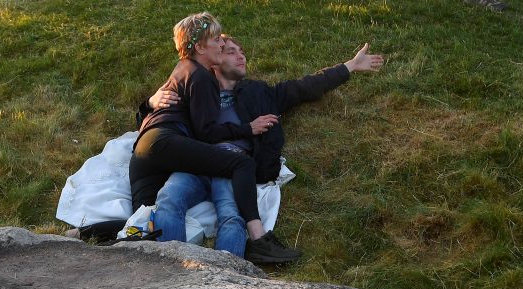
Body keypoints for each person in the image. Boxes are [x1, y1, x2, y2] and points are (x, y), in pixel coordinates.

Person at [143, 35, 384, 263]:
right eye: (231, 52)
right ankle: (168, 268)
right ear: (214, 59)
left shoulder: (258, 92)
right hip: (196, 159)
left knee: (231, 216)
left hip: (233, 166)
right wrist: (151, 101)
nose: (241, 57)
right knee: (169, 198)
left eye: (242, 52)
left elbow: (304, 87)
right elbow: (161, 116)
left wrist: (349, 66)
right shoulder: (196, 87)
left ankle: (222, 283)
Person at [127, 12, 298, 262]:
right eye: (217, 40)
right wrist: (247, 129)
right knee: (241, 167)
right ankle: (252, 244)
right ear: (199, 47)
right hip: (167, 143)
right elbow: (205, 131)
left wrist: (152, 102)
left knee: (150, 211)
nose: (221, 44)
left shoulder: (184, 69)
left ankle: (163, 263)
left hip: (149, 150)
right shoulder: (201, 76)